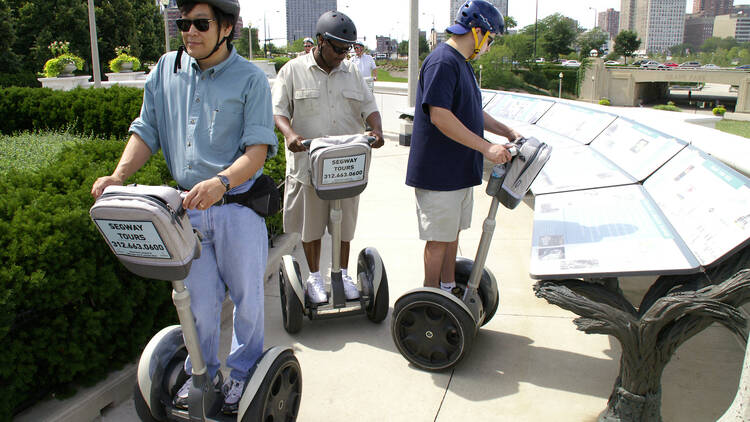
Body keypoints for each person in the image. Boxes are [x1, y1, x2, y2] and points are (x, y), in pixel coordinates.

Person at [90, 0, 277, 415]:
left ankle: (244, 376)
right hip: (185, 213)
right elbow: (146, 131)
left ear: (227, 28)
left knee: (248, 303)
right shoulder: (164, 70)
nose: (189, 32)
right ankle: (205, 377)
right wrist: (117, 177)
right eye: (183, 23)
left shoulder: (250, 80)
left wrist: (221, 181)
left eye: (200, 24)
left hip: (236, 208)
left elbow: (258, 150)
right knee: (199, 306)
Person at [405, 0, 521, 292]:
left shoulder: (462, 64)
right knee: (438, 240)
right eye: (490, 39)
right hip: (439, 171)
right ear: (478, 31)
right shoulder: (443, 61)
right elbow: (440, 116)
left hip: (456, 170)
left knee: (451, 235)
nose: (490, 46)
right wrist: (486, 148)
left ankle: (447, 287)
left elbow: (471, 111)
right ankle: (430, 298)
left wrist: (506, 131)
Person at [272, 10, 384, 304]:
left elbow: (369, 107)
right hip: (309, 167)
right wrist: (290, 135)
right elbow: (279, 111)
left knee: (344, 225)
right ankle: (313, 277)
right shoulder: (293, 71)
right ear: (320, 41)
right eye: (337, 48)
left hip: (346, 166)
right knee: (311, 227)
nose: (342, 55)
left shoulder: (352, 73)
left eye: (347, 49)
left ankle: (343, 273)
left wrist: (377, 129)